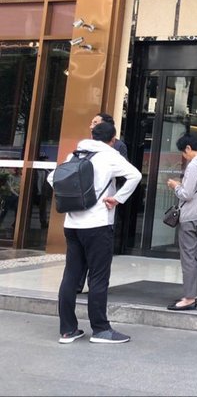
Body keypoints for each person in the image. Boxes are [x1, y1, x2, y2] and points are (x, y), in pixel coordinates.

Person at [48, 121, 141, 344]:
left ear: (91, 134)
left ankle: (68, 330)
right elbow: (135, 175)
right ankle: (100, 329)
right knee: (98, 277)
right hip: (98, 224)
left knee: (71, 276)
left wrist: (70, 199)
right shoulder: (110, 155)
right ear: (113, 139)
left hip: (72, 225)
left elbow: (53, 177)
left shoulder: (76, 154)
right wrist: (117, 199)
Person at [77, 112, 129, 294]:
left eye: (96, 123)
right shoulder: (84, 146)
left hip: (104, 205)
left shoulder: (116, 147)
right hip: (84, 206)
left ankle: (94, 284)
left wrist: (118, 197)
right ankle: (78, 283)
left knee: (97, 251)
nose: (92, 126)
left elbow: (126, 174)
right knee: (81, 250)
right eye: (92, 122)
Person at [165, 134, 197, 311]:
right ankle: (194, 294)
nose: (184, 157)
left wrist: (175, 186)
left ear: (188, 148)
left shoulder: (194, 166)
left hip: (190, 216)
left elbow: (187, 194)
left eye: (184, 153)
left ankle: (188, 298)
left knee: (188, 257)